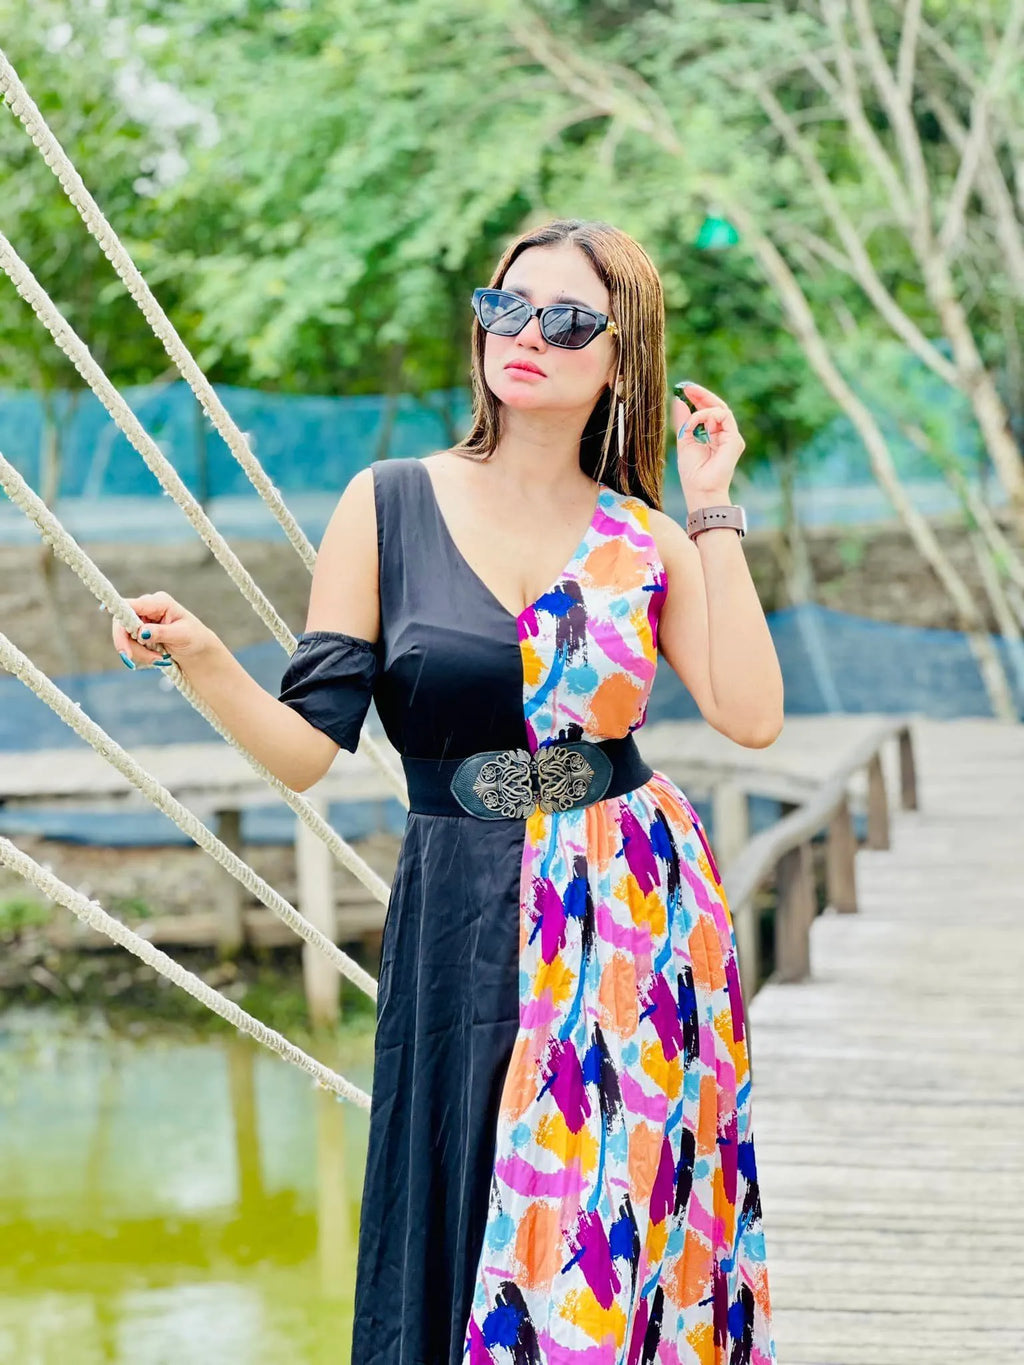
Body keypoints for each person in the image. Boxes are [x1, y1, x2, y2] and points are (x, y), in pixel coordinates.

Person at [113, 217, 782, 1365]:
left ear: (621, 360)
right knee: (469, 1201)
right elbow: (306, 751)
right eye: (506, 306)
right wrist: (201, 656)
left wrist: (710, 508)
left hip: (631, 912)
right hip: (460, 900)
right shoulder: (388, 504)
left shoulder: (644, 538)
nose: (526, 335)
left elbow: (749, 712)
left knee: (609, 1225)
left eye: (566, 320)